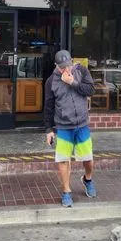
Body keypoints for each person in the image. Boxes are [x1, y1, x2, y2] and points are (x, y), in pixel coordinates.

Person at [44, 50, 97, 207]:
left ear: (72, 61)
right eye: (62, 67)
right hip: (63, 126)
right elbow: (48, 107)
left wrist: (73, 82)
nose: (65, 69)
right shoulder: (51, 81)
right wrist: (48, 129)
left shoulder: (81, 71)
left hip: (82, 124)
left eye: (68, 65)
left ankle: (87, 179)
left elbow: (90, 90)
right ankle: (66, 192)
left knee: (88, 160)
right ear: (56, 65)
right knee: (63, 160)